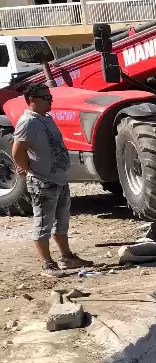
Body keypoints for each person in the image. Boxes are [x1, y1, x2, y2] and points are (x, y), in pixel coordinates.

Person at [11, 83, 93, 275]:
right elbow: (17, 150)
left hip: (59, 180)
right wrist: (27, 168)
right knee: (43, 224)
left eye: (50, 97)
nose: (50, 101)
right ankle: (47, 263)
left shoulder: (45, 118)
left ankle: (67, 258)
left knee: (61, 222)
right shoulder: (27, 121)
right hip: (43, 181)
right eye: (46, 98)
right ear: (32, 100)